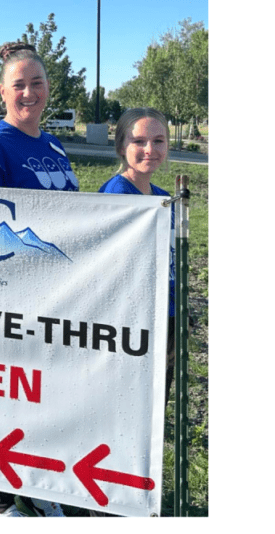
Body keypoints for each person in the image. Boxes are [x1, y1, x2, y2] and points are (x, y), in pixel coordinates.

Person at [0, 42, 78, 518]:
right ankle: (1, 496)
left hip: (57, 293)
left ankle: (37, 481)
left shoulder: (52, 144)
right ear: (2, 91)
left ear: (49, 88)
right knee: (6, 395)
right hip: (10, 297)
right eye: (19, 85)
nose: (29, 93)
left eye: (37, 83)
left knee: (42, 395)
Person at [98, 107, 176, 408]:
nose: (150, 150)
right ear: (121, 146)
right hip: (134, 327)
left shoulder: (162, 196)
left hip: (165, 317)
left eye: (158, 141)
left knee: (156, 408)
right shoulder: (117, 196)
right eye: (139, 141)